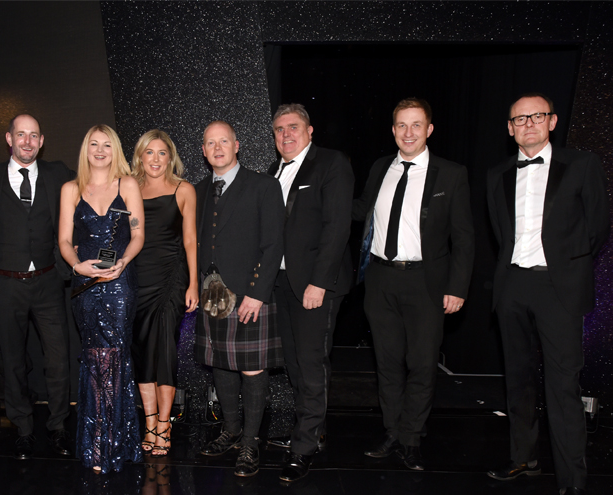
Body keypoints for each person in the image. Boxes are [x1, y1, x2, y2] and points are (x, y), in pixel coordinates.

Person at [486, 93, 609, 495]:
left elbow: (598, 228)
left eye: (537, 116)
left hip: (559, 289)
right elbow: (500, 234)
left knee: (562, 387)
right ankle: (524, 458)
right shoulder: (497, 174)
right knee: (518, 380)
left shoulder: (582, 165)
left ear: (552, 121)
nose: (529, 124)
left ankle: (572, 481)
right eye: (520, 119)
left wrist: (567, 267)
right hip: (512, 287)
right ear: (510, 129)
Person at [353, 98, 474, 471]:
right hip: (380, 279)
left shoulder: (451, 174)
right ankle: (393, 431)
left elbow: (464, 237)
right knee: (387, 363)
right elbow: (361, 210)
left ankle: (411, 438)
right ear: (393, 130)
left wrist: (457, 287)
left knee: (421, 364)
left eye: (416, 125)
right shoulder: (380, 168)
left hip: (426, 282)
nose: (408, 133)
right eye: (402, 125)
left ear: (429, 129)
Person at [264, 104, 355, 483]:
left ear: (310, 130)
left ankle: (303, 448)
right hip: (283, 285)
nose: (286, 134)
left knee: (312, 364)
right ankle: (313, 430)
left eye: (293, 127)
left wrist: (319, 282)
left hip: (316, 286)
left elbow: (337, 228)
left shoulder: (331, 164)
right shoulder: (274, 171)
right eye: (279, 129)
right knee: (295, 364)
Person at [0, 114, 74, 460]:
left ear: (42, 140)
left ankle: (58, 426)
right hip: (4, 284)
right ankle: (22, 428)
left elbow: (95, 184)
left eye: (34, 135)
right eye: (21, 134)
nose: (28, 142)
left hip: (48, 281)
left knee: (58, 359)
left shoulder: (58, 174)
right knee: (12, 360)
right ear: (9, 138)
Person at [195, 120, 285, 477]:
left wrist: (257, 295)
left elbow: (273, 244)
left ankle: (250, 442)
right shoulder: (198, 190)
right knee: (220, 364)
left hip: (249, 295)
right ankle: (231, 431)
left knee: (251, 368)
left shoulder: (264, 185)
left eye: (224, 141)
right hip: (211, 294)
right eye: (210, 143)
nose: (217, 148)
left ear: (237, 145)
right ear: (203, 151)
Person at [58, 125, 145, 473]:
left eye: (106, 145)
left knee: (116, 357)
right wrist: (76, 265)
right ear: (85, 149)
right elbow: (65, 241)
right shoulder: (70, 189)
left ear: (115, 150)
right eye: (93, 144)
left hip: (120, 283)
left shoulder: (128, 185)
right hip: (86, 285)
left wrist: (123, 262)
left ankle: (113, 442)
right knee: (95, 359)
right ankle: (98, 442)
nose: (99, 150)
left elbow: (138, 234)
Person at [130, 130, 198, 456]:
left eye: (162, 153)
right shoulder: (129, 188)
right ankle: (149, 423)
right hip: (138, 278)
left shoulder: (184, 189)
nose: (155, 159)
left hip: (172, 277)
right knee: (142, 349)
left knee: (166, 349)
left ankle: (164, 423)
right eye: (149, 152)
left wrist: (194, 283)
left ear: (170, 157)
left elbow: (190, 240)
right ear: (140, 157)